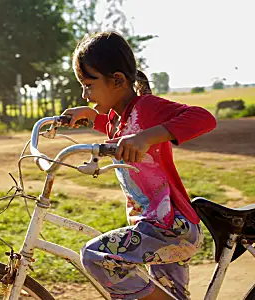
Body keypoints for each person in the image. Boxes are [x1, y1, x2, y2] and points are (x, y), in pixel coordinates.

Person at [62, 31, 217, 300]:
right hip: (152, 227)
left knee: (96, 257)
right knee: (170, 295)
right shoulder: (115, 120)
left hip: (170, 227)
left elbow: (203, 118)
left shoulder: (146, 107)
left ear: (118, 80)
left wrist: (147, 137)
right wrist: (91, 117)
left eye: (88, 85)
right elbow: (120, 132)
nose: (85, 95)